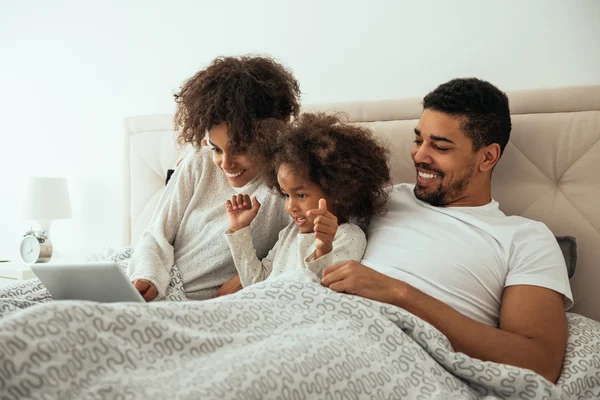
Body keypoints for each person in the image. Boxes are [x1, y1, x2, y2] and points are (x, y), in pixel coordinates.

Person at [320, 78, 573, 383]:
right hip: (324, 322)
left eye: (439, 146)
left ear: (487, 157)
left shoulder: (524, 238)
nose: (419, 156)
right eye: (418, 140)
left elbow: (540, 363)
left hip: (395, 362)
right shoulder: (383, 198)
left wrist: (398, 292)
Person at [127, 55, 301, 302]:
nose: (226, 164)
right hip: (147, 280)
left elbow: (309, 247)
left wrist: (252, 276)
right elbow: (157, 235)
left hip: (194, 303)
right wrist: (147, 277)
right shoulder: (198, 160)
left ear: (270, 136)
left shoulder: (291, 182)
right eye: (217, 149)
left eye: (240, 149)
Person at [223, 113, 391, 286]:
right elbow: (256, 283)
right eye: (287, 195)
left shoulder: (348, 236)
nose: (290, 206)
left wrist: (323, 249)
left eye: (301, 195)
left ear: (337, 191)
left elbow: (318, 294)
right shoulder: (290, 232)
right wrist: (239, 229)